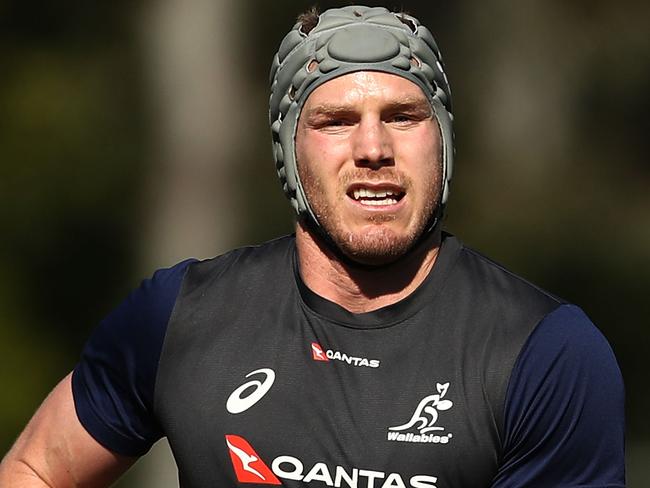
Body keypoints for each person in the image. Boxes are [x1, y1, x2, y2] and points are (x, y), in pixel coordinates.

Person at [0, 5, 625, 488]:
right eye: (336, 122)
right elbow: (36, 470)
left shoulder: (545, 352)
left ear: (444, 146)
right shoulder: (181, 316)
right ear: (289, 153)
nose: (373, 148)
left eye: (404, 116)